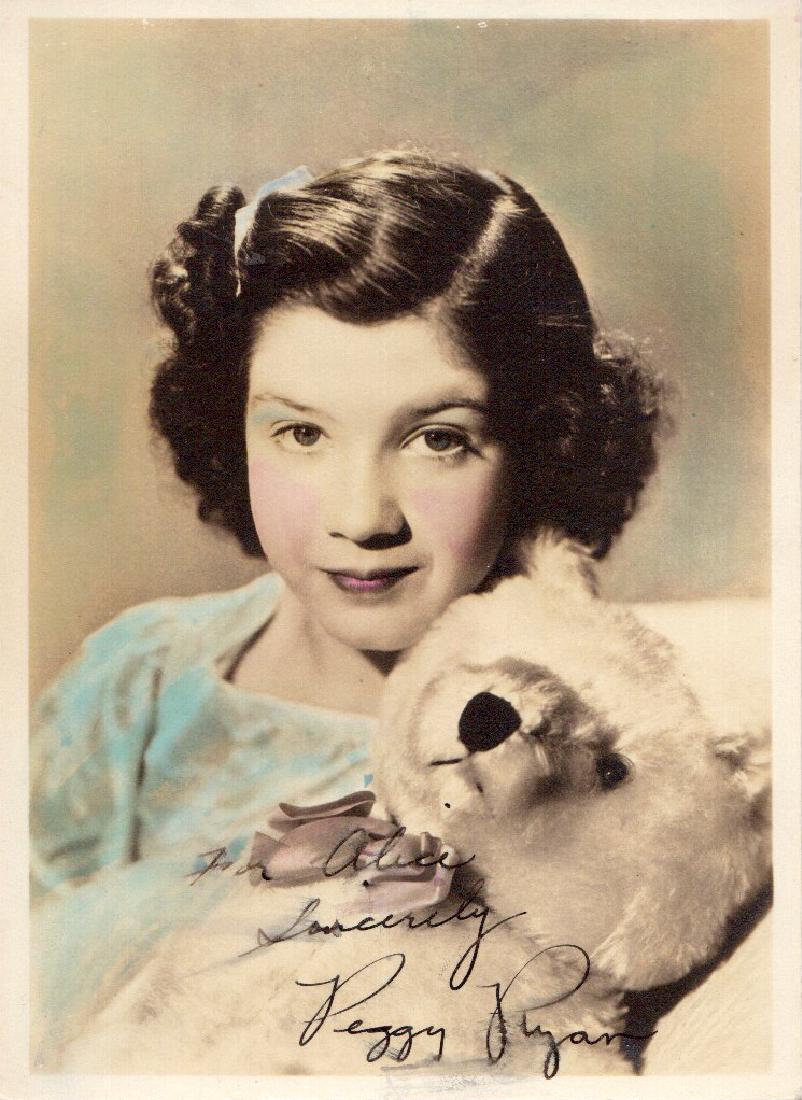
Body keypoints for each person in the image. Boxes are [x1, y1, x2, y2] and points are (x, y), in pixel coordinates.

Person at [30, 149, 662, 905]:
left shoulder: (575, 748)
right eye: (302, 434)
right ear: (231, 430)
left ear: (542, 444)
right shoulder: (134, 680)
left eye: (437, 439)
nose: (362, 519)